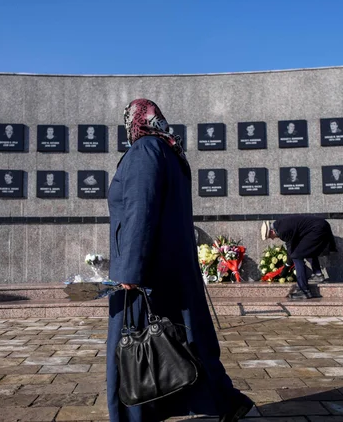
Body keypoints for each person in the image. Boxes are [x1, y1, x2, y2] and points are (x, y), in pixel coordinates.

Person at [107, 99, 253, 422]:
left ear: (138, 121)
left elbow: (139, 210)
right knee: (188, 346)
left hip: (145, 278)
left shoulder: (145, 151)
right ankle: (225, 400)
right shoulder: (170, 152)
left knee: (132, 356)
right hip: (172, 271)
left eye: (129, 120)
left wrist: (129, 270)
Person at [260, 215, 338, 299]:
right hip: (320, 225)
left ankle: (304, 291)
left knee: (297, 256)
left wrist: (286, 267)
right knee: (306, 250)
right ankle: (318, 274)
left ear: (272, 231)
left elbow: (291, 251)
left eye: (270, 236)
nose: (272, 239)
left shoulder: (282, 231)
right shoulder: (280, 225)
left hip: (317, 229)